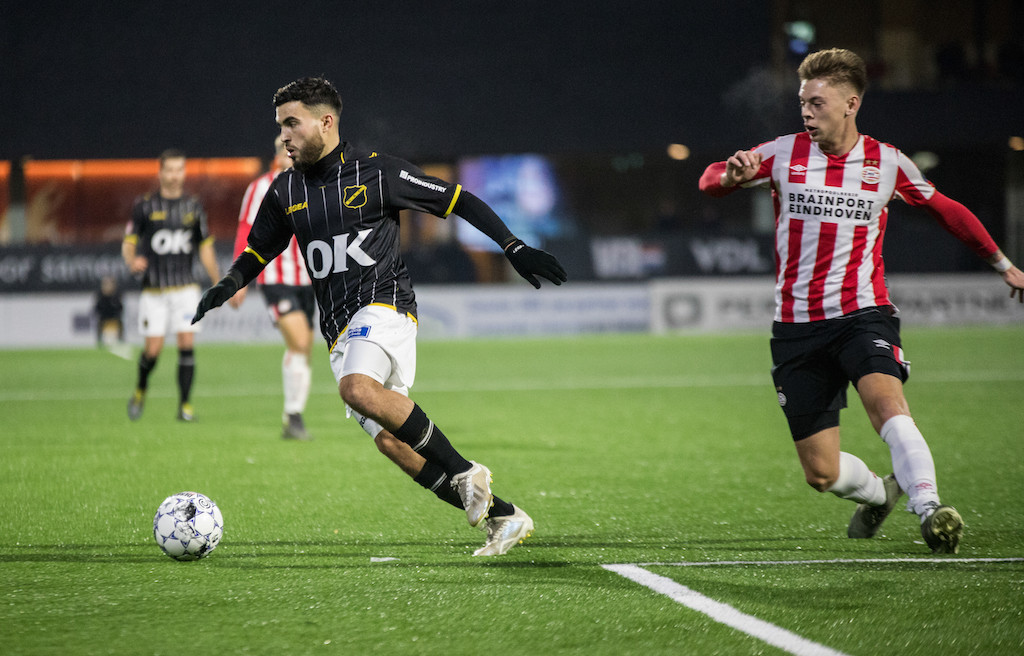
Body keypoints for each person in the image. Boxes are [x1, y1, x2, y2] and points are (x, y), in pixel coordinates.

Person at [193, 77, 567, 555]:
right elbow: (259, 251)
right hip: (338, 332)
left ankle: (465, 471)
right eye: (280, 125)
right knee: (392, 444)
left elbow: (458, 199)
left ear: (326, 122)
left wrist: (512, 246)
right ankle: (504, 516)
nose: (283, 135)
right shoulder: (285, 189)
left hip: (385, 305)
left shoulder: (378, 172)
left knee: (357, 389)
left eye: (292, 123)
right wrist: (229, 283)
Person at [698, 48, 1024, 554]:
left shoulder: (887, 162)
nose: (807, 113)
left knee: (887, 404)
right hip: (796, 327)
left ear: (851, 104)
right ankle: (879, 493)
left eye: (817, 103)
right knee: (821, 473)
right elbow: (710, 179)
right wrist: (730, 176)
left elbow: (947, 210)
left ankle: (930, 507)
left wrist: (1004, 265)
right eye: (802, 103)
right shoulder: (783, 154)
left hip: (862, 313)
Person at [123, 149, 220, 422]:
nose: (175, 175)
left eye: (180, 170)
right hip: (154, 290)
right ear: (161, 173)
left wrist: (218, 281)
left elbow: (205, 247)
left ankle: (185, 407)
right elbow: (129, 242)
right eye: (170, 170)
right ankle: (140, 389)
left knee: (186, 343)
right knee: (152, 350)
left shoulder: (193, 206)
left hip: (186, 288)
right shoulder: (144, 206)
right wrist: (131, 260)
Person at [229, 138, 316, 440]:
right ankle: (294, 417)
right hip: (276, 277)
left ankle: (293, 416)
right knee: (299, 342)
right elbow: (245, 230)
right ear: (277, 156)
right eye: (285, 151)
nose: (289, 156)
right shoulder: (260, 188)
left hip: (310, 279)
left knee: (304, 349)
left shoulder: (312, 183)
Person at [94, 275, 125, 348]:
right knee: (99, 323)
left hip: (114, 315)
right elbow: (97, 308)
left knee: (120, 322)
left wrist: (116, 311)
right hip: (104, 316)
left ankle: (121, 339)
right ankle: (99, 341)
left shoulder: (117, 294)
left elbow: (120, 307)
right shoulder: (100, 294)